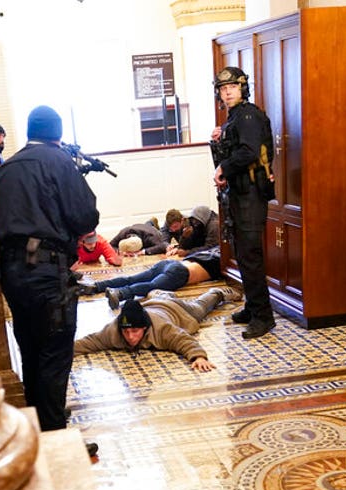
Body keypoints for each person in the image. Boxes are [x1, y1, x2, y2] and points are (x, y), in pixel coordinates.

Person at [0, 105, 99, 456]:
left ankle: (41, 424)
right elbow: (84, 214)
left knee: (31, 349)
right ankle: (56, 445)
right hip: (47, 272)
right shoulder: (58, 162)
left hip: (12, 274)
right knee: (54, 354)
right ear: (57, 134)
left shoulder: (7, 169)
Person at [211, 66, 277, 339]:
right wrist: (218, 140)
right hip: (238, 195)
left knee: (250, 257)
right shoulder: (234, 118)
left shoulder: (248, 115)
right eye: (223, 89)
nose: (227, 93)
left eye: (232, 88)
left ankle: (264, 317)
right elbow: (233, 149)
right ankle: (252, 307)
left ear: (243, 88)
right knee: (243, 254)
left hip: (250, 195)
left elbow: (248, 152)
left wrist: (223, 168)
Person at [74, 287, 242, 372]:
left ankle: (217, 292)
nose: (130, 337)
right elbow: (90, 341)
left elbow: (182, 339)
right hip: (152, 306)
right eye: (126, 332)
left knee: (200, 307)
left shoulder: (162, 329)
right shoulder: (113, 330)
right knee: (159, 296)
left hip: (176, 310)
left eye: (135, 331)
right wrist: (65, 351)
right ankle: (159, 294)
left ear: (145, 328)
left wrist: (198, 357)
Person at [78, 246, 224, 310]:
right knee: (152, 285)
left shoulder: (210, 252)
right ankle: (121, 293)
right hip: (180, 272)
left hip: (169, 263)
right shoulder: (224, 261)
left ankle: (96, 286)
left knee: (132, 278)